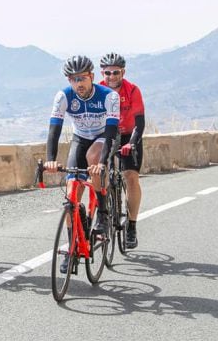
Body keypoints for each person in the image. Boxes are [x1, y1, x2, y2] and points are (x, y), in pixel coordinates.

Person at [44, 55, 120, 273]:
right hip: (80, 138)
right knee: (70, 196)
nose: (79, 83)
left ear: (92, 77)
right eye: (74, 79)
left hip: (105, 137)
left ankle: (103, 213)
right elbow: (54, 129)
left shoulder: (109, 96)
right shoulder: (63, 96)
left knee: (93, 158)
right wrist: (50, 158)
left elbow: (112, 129)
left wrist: (103, 162)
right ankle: (72, 248)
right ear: (69, 81)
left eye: (83, 78)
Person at [99, 52, 145, 249]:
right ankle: (102, 215)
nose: (111, 76)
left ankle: (132, 226)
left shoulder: (132, 90)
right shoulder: (98, 90)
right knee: (101, 173)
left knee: (130, 176)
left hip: (128, 135)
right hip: (106, 135)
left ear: (123, 72)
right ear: (102, 73)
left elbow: (139, 123)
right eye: (107, 73)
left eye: (116, 72)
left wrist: (131, 143)